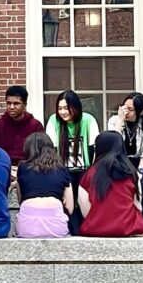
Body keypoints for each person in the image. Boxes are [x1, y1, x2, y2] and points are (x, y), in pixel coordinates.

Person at [45, 90, 100, 233]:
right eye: (60, 108)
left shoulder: (88, 120)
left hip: (85, 171)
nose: (62, 112)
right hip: (62, 171)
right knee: (67, 204)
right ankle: (69, 229)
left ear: (75, 107)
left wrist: (91, 174)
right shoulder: (53, 121)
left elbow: (94, 148)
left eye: (66, 108)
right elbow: (51, 149)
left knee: (84, 203)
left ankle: (86, 229)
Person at [78, 131, 143, 238]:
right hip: (130, 227)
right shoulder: (131, 173)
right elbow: (138, 206)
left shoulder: (89, 175)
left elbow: (85, 211)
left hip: (95, 228)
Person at [14, 132, 72, 238]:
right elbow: (70, 207)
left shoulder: (22, 168)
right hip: (57, 228)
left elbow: (21, 200)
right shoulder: (62, 169)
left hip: (27, 228)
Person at [0, 85, 44, 166]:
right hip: (4, 169)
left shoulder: (35, 126)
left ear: (25, 104)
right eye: (8, 103)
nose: (11, 107)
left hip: (29, 170)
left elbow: (39, 154)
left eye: (16, 103)